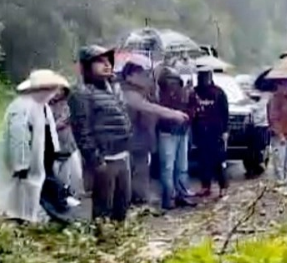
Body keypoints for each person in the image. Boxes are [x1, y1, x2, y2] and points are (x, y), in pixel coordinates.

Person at [0, 70, 70, 223]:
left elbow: (49, 131)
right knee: (17, 194)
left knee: (37, 190)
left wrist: (55, 152)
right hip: (24, 163)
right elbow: (18, 138)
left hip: (42, 159)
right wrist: (21, 164)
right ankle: (16, 221)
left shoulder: (42, 106)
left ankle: (36, 218)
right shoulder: (22, 106)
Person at [70, 45, 134, 222]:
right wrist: (96, 160)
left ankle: (118, 243)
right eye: (100, 62)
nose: (107, 65)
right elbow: (82, 131)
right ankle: (102, 245)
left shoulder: (112, 89)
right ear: (87, 66)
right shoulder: (82, 93)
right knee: (103, 212)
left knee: (122, 208)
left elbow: (123, 119)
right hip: (105, 160)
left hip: (122, 157)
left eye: (108, 62)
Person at [119, 56, 189, 208]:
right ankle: (138, 202)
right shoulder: (126, 93)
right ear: (130, 76)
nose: (146, 78)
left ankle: (140, 201)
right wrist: (173, 114)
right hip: (131, 141)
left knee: (142, 171)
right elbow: (148, 108)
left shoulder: (145, 91)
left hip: (143, 140)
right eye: (142, 75)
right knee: (136, 173)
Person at [158, 68, 198, 209]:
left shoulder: (184, 91)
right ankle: (172, 197)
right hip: (170, 131)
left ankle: (174, 197)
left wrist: (188, 117)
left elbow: (193, 108)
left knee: (174, 167)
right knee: (174, 167)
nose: (172, 84)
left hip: (176, 131)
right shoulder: (161, 93)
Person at [193, 69, 230, 198]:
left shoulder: (218, 92)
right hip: (201, 131)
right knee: (203, 161)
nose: (204, 79)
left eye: (206, 76)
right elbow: (192, 110)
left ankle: (223, 186)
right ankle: (205, 186)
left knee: (219, 160)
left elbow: (225, 112)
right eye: (201, 76)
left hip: (216, 131)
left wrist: (225, 130)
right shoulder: (195, 92)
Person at [50, 90, 84, 198]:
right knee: (58, 177)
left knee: (75, 175)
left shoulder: (67, 104)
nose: (56, 93)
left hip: (69, 145)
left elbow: (71, 118)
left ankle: (71, 195)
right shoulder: (44, 106)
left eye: (59, 90)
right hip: (53, 148)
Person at [268, 81, 287, 184]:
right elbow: (273, 118)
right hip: (280, 134)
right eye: (286, 86)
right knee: (280, 159)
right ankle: (280, 180)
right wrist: (280, 134)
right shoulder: (275, 100)